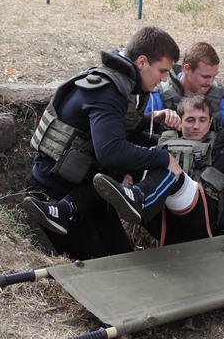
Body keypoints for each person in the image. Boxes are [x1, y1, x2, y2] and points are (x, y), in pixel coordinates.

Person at [22, 25, 184, 260]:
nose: (164, 79)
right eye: (162, 70)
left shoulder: (120, 83)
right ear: (142, 62)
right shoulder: (108, 90)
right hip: (53, 195)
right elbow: (109, 151)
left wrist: (151, 119)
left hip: (87, 190)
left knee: (123, 259)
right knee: (98, 270)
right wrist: (163, 158)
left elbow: (109, 127)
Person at [93, 93, 224, 245]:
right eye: (190, 120)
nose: (196, 126)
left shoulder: (222, 139)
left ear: (210, 122)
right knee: (155, 156)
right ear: (179, 122)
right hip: (163, 218)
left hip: (201, 215)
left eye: (202, 120)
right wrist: (125, 172)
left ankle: (137, 195)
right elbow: (125, 135)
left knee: (169, 167)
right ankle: (134, 197)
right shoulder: (163, 140)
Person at [145, 41, 224, 232]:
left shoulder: (217, 96)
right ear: (187, 69)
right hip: (167, 176)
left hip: (206, 176)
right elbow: (138, 131)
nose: (210, 82)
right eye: (206, 76)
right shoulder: (160, 94)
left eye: (214, 76)